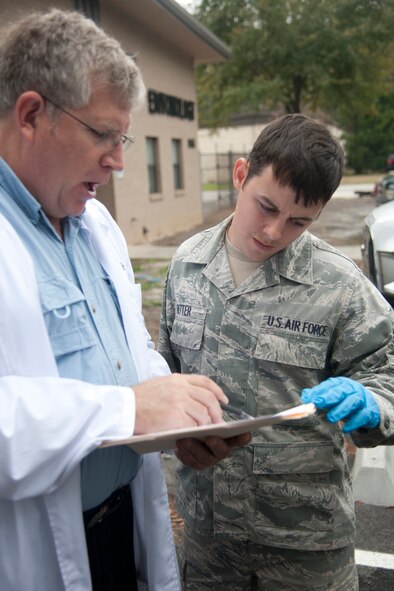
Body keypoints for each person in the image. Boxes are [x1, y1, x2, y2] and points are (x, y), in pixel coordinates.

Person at [0, 8, 233, 591]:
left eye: (123, 138)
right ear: (31, 115)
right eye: (103, 134)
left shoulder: (95, 224)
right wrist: (127, 410)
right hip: (33, 556)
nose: (121, 160)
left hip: (119, 530)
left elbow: (126, 352)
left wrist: (176, 420)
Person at [159, 114, 394, 590]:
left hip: (306, 545)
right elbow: (165, 377)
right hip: (209, 539)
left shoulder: (340, 285)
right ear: (241, 174)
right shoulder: (186, 265)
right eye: (265, 206)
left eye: (298, 221)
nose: (272, 230)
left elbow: (386, 377)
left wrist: (373, 405)